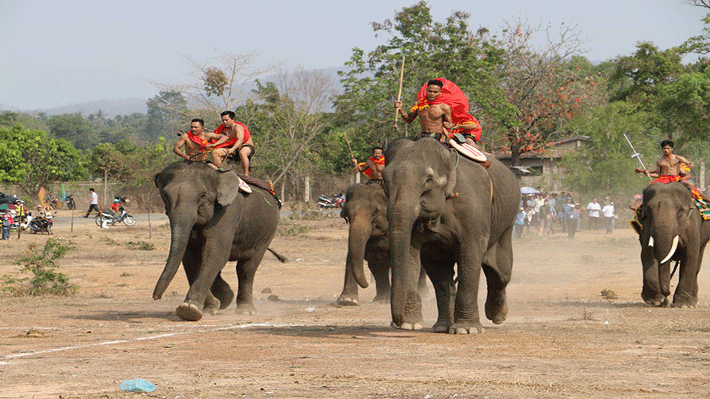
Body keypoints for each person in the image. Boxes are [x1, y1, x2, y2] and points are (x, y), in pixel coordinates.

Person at [394, 78, 483, 148]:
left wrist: (450, 125)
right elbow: (408, 120)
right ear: (426, 91)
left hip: (438, 137)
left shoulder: (444, 107)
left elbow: (450, 123)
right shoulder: (418, 104)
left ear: (440, 93)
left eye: (435, 92)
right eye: (430, 91)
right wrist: (400, 109)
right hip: (422, 136)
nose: (432, 94)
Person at [635, 139, 710, 201]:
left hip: (676, 178)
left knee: (690, 185)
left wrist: (690, 164)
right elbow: (658, 174)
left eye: (668, 148)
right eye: (664, 148)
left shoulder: (677, 158)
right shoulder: (659, 161)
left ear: (672, 149)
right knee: (650, 187)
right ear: (662, 149)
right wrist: (649, 174)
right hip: (663, 179)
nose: (666, 150)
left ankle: (690, 201)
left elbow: (688, 163)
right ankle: (643, 207)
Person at [211, 111, 255, 175]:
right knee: (215, 152)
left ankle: (246, 175)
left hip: (245, 146)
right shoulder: (222, 129)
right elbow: (213, 137)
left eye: (226, 120)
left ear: (233, 119)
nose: (224, 122)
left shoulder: (238, 127)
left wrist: (232, 149)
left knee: (242, 152)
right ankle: (221, 173)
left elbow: (240, 140)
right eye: (223, 120)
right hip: (231, 148)